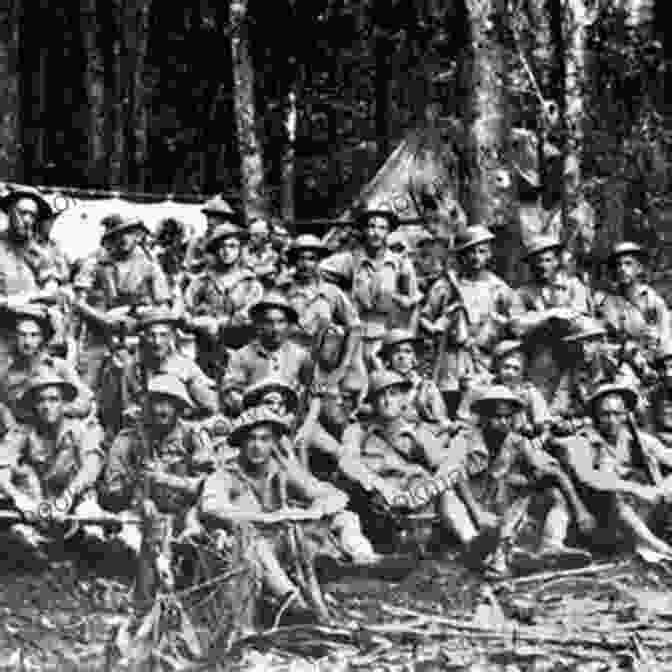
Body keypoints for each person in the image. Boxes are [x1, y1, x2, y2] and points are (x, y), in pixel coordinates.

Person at [199, 407, 379, 623]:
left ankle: (364, 561)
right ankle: (291, 602)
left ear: (274, 442)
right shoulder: (226, 474)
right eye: (251, 439)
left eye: (265, 439)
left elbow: (330, 494)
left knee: (346, 518)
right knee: (255, 545)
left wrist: (313, 511)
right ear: (241, 443)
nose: (258, 446)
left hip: (287, 541)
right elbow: (211, 506)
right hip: (252, 548)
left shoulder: (280, 470)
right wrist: (264, 518)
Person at [445, 386, 593, 575]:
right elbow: (456, 475)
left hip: (503, 509)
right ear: (484, 417)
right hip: (473, 508)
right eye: (497, 417)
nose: (503, 422)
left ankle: (551, 545)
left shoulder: (518, 442)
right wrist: (477, 513)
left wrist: (580, 510)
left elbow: (553, 472)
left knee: (548, 491)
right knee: (447, 495)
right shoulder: (465, 439)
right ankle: (478, 547)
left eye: (508, 417)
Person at [337, 371, 465, 546]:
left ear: (403, 399)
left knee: (447, 495)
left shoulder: (418, 431)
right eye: (380, 396)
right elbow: (347, 462)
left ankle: (472, 543)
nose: (388, 401)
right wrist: (380, 486)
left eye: (393, 394)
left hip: (416, 501)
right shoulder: (357, 431)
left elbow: (443, 462)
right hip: (377, 505)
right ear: (372, 402)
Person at [102, 375, 216, 558]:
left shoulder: (193, 436)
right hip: (138, 517)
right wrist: (137, 486)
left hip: (185, 516)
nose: (160, 410)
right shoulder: (129, 439)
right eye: (155, 403)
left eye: (168, 403)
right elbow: (113, 489)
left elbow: (211, 486)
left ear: (179, 407)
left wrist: (167, 480)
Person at [557, 383, 672, 561]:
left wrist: (661, 489)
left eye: (617, 414)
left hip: (639, 513)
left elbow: (666, 456)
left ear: (626, 415)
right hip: (603, 516)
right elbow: (588, 477)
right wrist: (635, 489)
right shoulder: (583, 440)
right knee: (609, 488)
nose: (611, 420)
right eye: (605, 414)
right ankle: (659, 547)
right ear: (596, 416)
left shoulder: (637, 439)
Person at [0, 371, 106, 560]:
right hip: (36, 506)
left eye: (54, 399)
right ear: (33, 405)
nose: (47, 407)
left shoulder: (81, 430)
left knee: (90, 516)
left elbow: (91, 467)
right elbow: (2, 468)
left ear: (64, 403)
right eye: (41, 401)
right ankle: (30, 544)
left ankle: (89, 550)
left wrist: (68, 497)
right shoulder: (23, 432)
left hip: (73, 504)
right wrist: (18, 498)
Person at [70, 215, 171, 389]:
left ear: (138, 236)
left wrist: (143, 315)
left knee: (153, 381)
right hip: (99, 335)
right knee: (86, 389)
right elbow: (78, 303)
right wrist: (104, 319)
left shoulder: (149, 266)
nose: (124, 238)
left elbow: (162, 305)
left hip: (137, 334)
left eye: (129, 233)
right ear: (110, 237)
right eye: (119, 233)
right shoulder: (94, 263)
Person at [420, 225, 514, 392]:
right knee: (449, 400)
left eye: (482, 251)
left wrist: (499, 325)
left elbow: (513, 323)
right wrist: (435, 330)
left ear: (489, 254)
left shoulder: (499, 288)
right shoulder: (446, 285)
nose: (477, 257)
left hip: (486, 357)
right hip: (452, 357)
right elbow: (425, 317)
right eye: (471, 252)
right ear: (462, 255)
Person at [99, 307, 219, 437]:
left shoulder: (185, 367)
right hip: (143, 434)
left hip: (178, 434)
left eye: (163, 335)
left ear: (172, 337)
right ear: (143, 337)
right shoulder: (132, 367)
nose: (157, 342)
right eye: (152, 335)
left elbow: (211, 407)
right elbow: (120, 409)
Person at [323, 208, 420, 366]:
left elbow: (414, 302)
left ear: (388, 232)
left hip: (387, 335)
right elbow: (318, 271)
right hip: (355, 336)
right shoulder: (350, 260)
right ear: (363, 230)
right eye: (371, 226)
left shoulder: (399, 263)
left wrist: (408, 340)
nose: (375, 233)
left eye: (382, 228)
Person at [510, 235, 592, 402]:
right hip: (540, 353)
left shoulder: (574, 286)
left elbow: (581, 320)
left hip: (573, 351)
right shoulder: (523, 293)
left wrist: (536, 318)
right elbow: (516, 325)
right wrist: (550, 315)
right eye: (537, 261)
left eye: (547, 260)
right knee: (540, 398)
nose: (542, 266)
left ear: (557, 262)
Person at [281, 234, 364, 389]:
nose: (306, 264)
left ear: (319, 261)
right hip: (288, 362)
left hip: (322, 366)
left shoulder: (331, 291)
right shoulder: (283, 292)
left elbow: (355, 327)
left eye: (311, 259)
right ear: (293, 261)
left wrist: (343, 365)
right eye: (300, 259)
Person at [184, 222, 263, 373]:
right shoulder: (202, 282)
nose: (226, 251)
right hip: (206, 353)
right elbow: (186, 309)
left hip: (240, 351)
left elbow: (251, 315)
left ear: (240, 249)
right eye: (222, 246)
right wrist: (195, 321)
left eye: (232, 246)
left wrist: (219, 323)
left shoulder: (250, 283)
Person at [0, 304, 93, 430]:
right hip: (24, 436)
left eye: (33, 335)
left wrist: (53, 409)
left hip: (59, 433)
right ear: (15, 338)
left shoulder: (58, 367)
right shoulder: (6, 375)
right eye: (22, 335)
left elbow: (85, 402)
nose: (27, 342)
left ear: (42, 338)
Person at [0, 188, 60, 363]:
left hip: (30, 325)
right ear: (10, 213)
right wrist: (6, 303)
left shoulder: (37, 252)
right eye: (22, 213)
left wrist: (26, 299)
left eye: (32, 216)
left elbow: (52, 290)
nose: (27, 220)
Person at [594, 242, 671, 366]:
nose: (622, 269)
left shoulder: (652, 300)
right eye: (618, 265)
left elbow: (665, 338)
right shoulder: (606, 302)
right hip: (619, 364)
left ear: (639, 268)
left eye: (628, 264)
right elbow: (601, 339)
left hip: (652, 364)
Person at [224, 292, 313, 397]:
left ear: (288, 325)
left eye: (281, 322)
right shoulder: (241, 356)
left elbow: (310, 390)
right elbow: (231, 391)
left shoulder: (300, 356)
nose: (275, 328)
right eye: (268, 322)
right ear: (259, 324)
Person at [378, 328, 453, 434]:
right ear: (387, 357)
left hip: (417, 440)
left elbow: (442, 422)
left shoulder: (426, 387)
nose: (402, 357)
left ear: (414, 357)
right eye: (396, 351)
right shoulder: (379, 384)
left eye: (408, 352)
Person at [488, 339, 551, 438]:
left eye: (516, 369)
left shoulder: (529, 393)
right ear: (498, 368)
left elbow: (543, 422)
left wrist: (536, 428)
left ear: (522, 372)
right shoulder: (487, 389)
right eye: (506, 367)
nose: (510, 373)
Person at [184, 195, 238, 273]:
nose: (208, 220)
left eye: (211, 216)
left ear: (222, 217)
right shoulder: (208, 233)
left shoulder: (229, 231)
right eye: (208, 216)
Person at [242, 217, 280, 287]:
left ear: (265, 237)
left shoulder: (274, 255)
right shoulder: (244, 252)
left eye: (256, 235)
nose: (251, 238)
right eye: (251, 235)